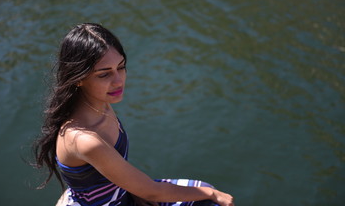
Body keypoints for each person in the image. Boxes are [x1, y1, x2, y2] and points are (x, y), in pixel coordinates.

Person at [33, 23, 235, 206]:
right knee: (211, 198)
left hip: (123, 194)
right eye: (104, 74)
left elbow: (119, 172)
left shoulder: (100, 104)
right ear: (78, 78)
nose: (118, 81)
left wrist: (136, 191)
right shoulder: (84, 139)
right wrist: (212, 194)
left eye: (120, 67)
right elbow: (153, 192)